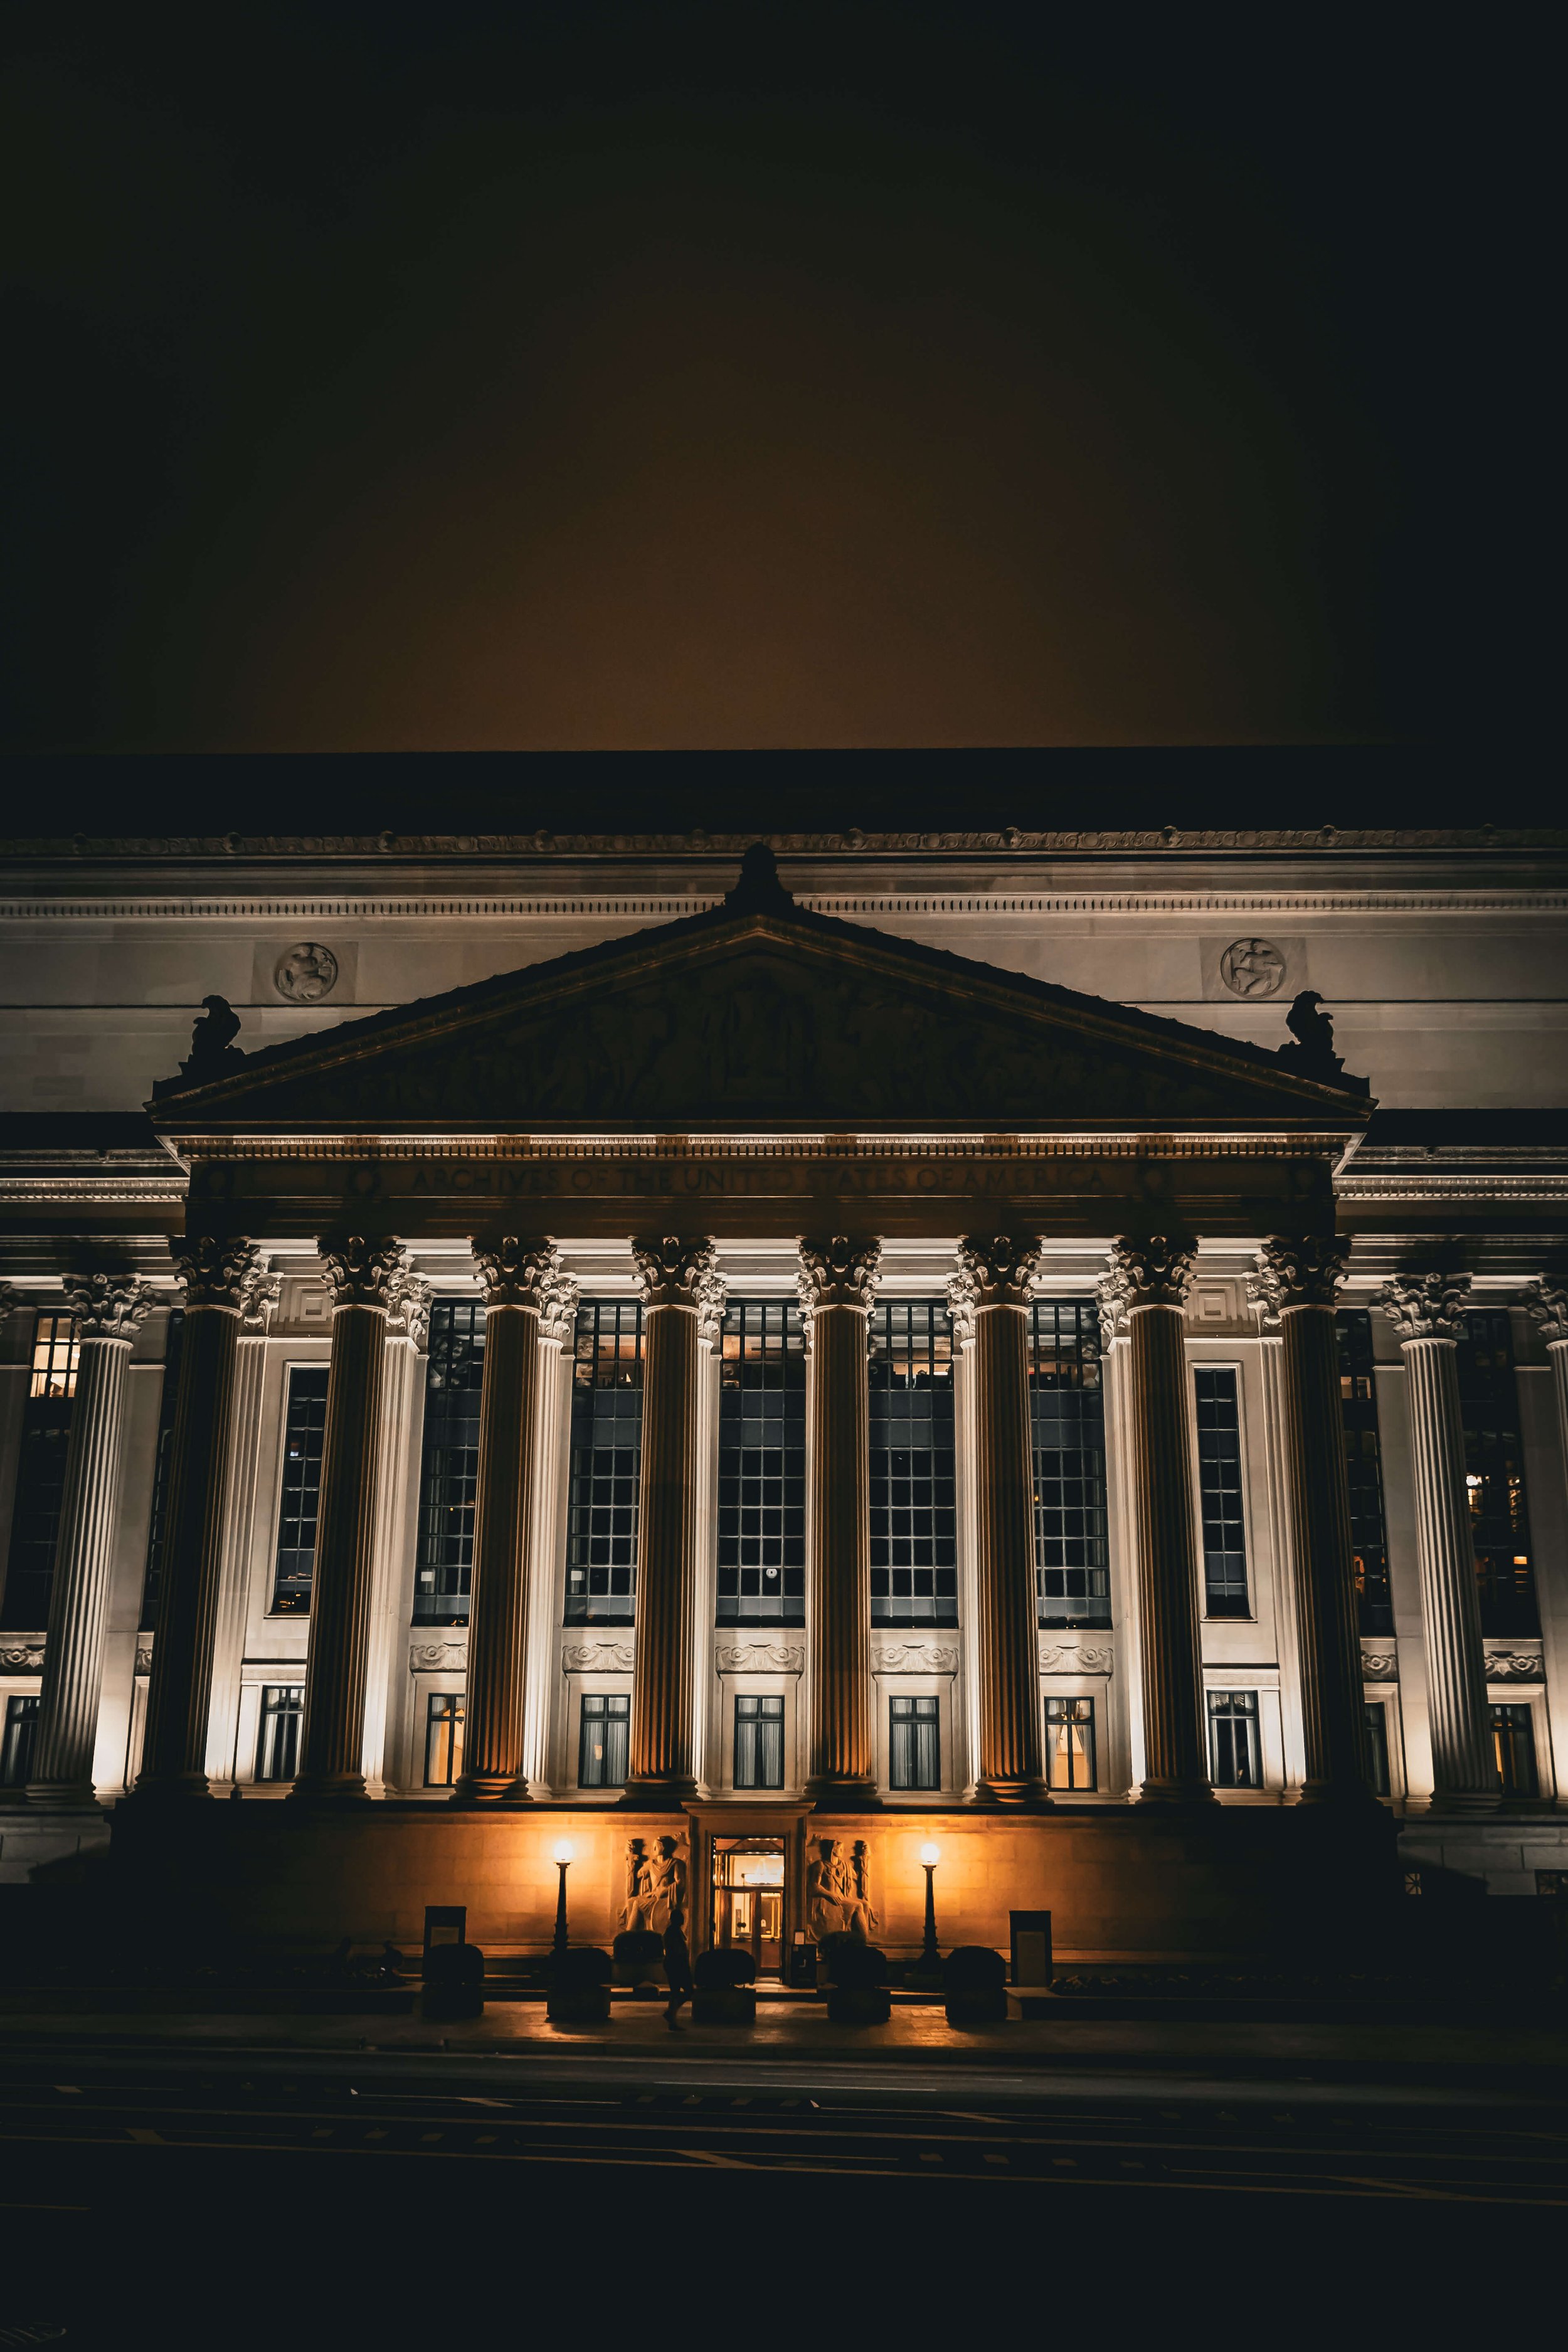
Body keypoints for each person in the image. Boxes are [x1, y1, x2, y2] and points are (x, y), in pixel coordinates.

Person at [663, 1905, 694, 2028]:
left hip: (676, 1964)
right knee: (686, 1991)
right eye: (682, 1917)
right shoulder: (672, 1932)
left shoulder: (676, 1931)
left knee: (676, 1992)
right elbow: (677, 1950)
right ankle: (671, 2015)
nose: (684, 1920)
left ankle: (672, 2017)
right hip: (677, 1965)